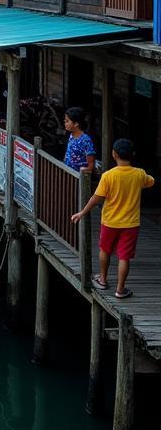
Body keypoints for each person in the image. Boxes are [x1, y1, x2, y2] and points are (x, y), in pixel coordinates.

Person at [72, 138, 154, 299]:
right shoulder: (139, 174)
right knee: (124, 256)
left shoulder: (108, 175)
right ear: (133, 155)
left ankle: (102, 280)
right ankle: (120, 289)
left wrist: (83, 212)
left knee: (105, 250)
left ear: (113, 154)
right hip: (131, 223)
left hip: (110, 221)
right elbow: (150, 181)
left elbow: (97, 197)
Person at [63, 106, 96, 175]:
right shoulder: (71, 135)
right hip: (68, 174)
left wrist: (84, 171)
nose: (65, 123)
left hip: (78, 178)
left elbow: (91, 165)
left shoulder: (85, 140)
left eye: (67, 121)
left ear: (76, 124)